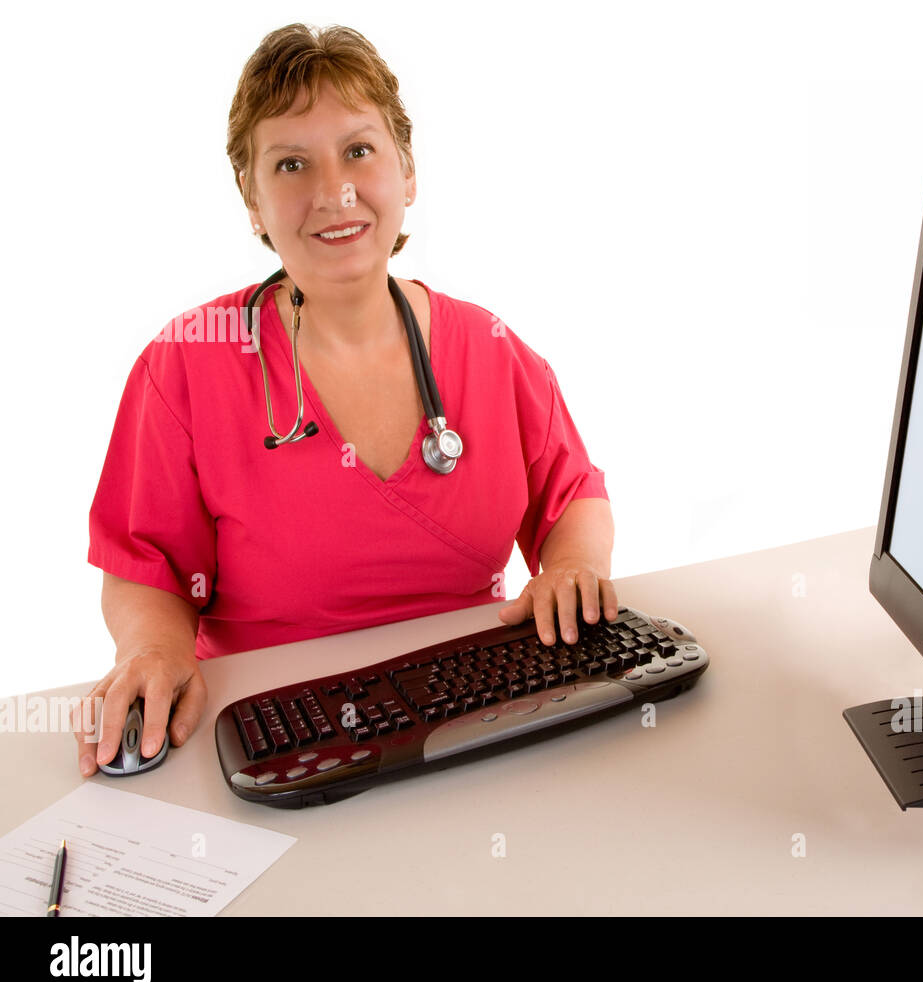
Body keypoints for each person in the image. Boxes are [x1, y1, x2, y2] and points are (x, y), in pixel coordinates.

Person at [76, 23, 616, 779]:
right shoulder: (187, 363)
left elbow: (572, 495)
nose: (334, 192)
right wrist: (153, 649)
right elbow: (146, 565)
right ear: (252, 199)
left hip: (472, 726)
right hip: (279, 738)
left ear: (407, 172)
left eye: (358, 151)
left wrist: (571, 565)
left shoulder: (492, 349)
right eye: (292, 163)